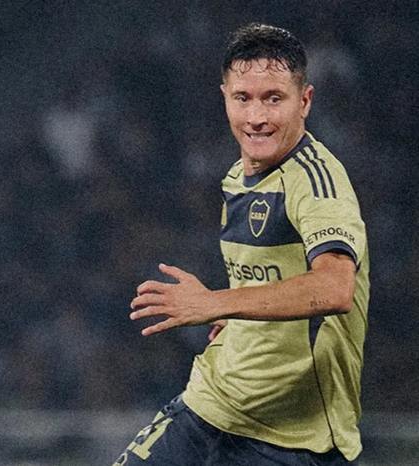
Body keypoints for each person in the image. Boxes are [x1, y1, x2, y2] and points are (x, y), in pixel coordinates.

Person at [113, 23, 369, 466]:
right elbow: (267, 281)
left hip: (292, 439)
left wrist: (215, 303)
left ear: (305, 101)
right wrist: (236, 318)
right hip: (211, 404)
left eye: (273, 98)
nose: (256, 117)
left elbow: (334, 288)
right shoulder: (236, 177)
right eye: (243, 98)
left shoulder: (317, 181)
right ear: (224, 98)